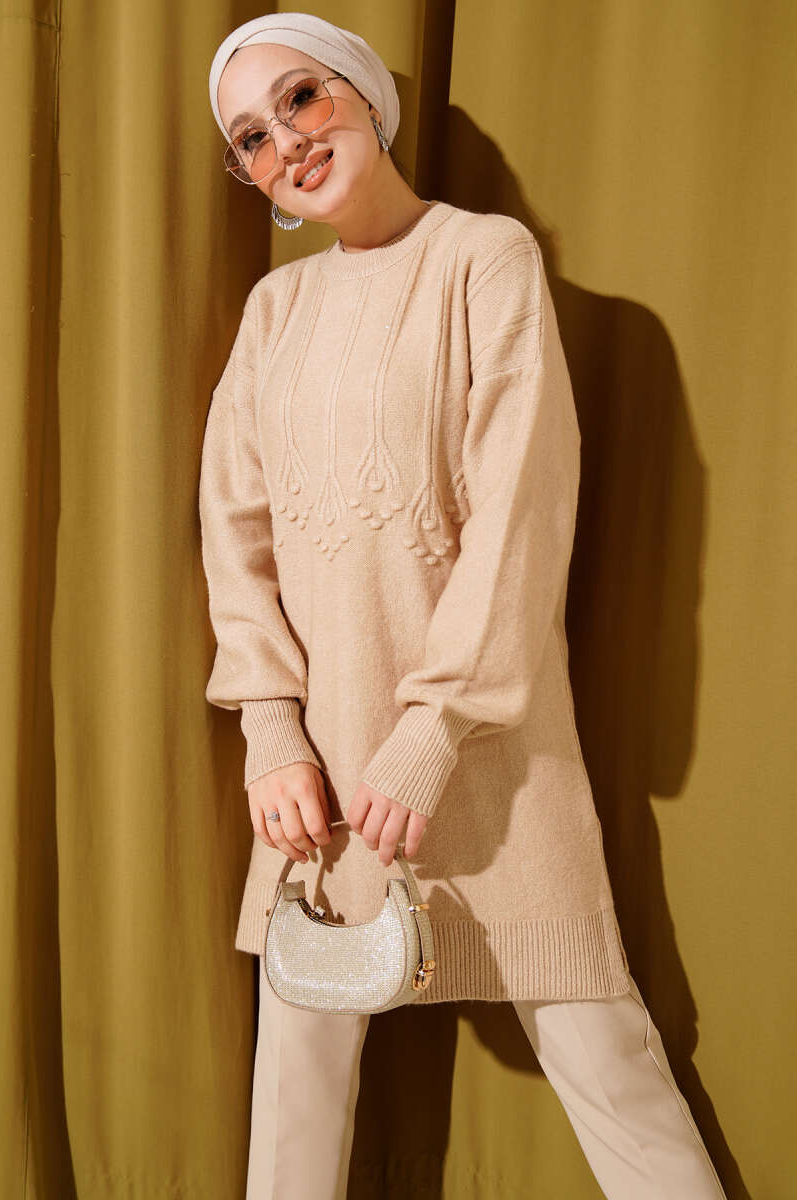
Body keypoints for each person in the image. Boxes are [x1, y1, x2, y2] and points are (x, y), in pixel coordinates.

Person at [200, 14, 728, 1200]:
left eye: (301, 98)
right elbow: (233, 532)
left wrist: (432, 730)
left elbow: (521, 511)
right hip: (321, 779)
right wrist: (270, 731)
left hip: (488, 752)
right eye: (251, 138)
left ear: (360, 94)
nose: (285, 141)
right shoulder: (273, 314)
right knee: (293, 1100)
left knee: (605, 1057)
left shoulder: (484, 259)